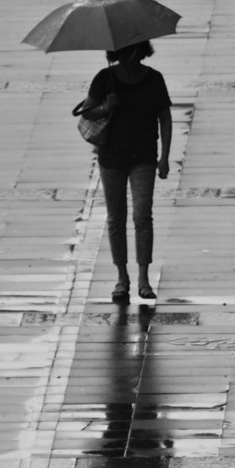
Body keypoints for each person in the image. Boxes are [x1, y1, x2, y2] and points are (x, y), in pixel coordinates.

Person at [82, 40, 172, 303]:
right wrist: (106, 107)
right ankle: (122, 278)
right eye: (123, 52)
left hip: (143, 156)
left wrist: (164, 156)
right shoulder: (105, 78)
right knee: (116, 218)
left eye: (132, 52)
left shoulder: (153, 79)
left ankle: (144, 278)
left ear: (139, 51)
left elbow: (164, 117)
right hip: (111, 157)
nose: (128, 57)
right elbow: (87, 111)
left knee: (143, 216)